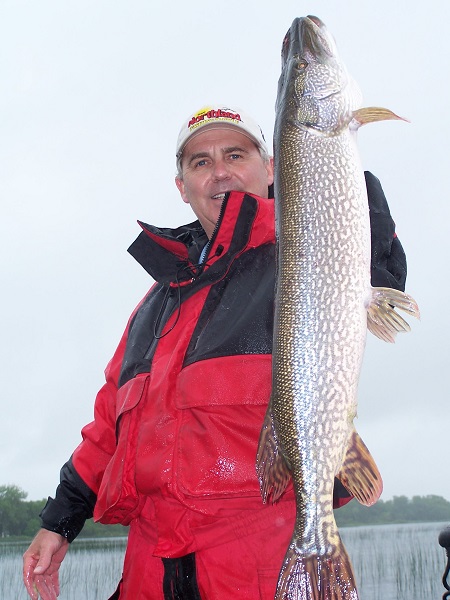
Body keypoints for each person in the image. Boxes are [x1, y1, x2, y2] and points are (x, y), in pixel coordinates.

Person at [23, 105, 407, 600]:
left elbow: (373, 284)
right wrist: (59, 522)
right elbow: (107, 430)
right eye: (200, 162)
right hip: (148, 573)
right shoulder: (154, 306)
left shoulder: (303, 258)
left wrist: (347, 194)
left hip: (259, 570)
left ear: (271, 170)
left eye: (235, 154)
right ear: (182, 187)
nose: (219, 171)